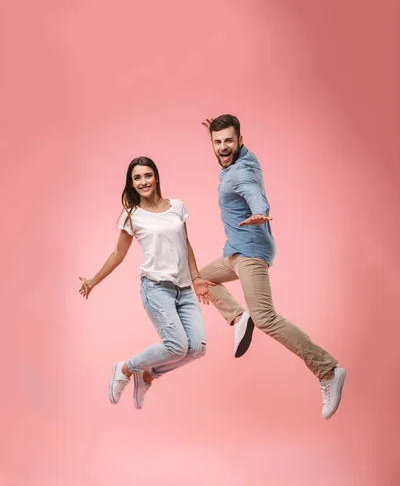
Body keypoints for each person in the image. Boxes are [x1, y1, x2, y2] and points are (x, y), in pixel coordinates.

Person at [200, 114, 346, 419]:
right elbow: (236, 160)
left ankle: (327, 370)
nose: (223, 147)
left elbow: (254, 193)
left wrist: (260, 212)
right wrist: (220, 131)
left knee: (265, 318)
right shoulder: (243, 158)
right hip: (235, 253)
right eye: (218, 142)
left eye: (229, 140)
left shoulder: (242, 173)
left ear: (240, 140)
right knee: (200, 278)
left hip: (250, 253)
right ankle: (239, 317)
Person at [79, 156, 214, 409]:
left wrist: (197, 279)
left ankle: (148, 375)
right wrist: (93, 281)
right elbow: (118, 254)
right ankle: (126, 368)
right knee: (176, 346)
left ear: (157, 177)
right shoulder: (132, 215)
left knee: (197, 349)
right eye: (137, 178)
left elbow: (186, 244)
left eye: (147, 175)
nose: (143, 181)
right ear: (131, 183)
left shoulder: (176, 206)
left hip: (184, 289)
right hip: (155, 288)